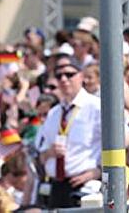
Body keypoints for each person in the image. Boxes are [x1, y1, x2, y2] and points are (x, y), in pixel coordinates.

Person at [37, 56, 101, 208]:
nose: (64, 79)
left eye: (69, 74)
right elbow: (41, 156)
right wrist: (50, 152)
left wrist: (99, 171)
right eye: (59, 76)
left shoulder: (96, 107)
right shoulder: (53, 113)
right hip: (56, 186)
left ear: (81, 76)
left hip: (85, 186)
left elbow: (122, 140)